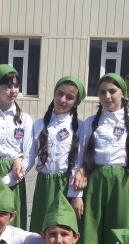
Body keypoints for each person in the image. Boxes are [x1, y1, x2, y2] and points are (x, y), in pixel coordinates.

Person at [72, 73, 129, 244]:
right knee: (91, 239)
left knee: (115, 242)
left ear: (123, 93)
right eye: (102, 92)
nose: (107, 96)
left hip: (120, 186)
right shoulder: (91, 122)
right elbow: (80, 159)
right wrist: (77, 195)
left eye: (112, 91)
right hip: (94, 183)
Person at [29, 76, 86, 234]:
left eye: (69, 97)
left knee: (64, 229)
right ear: (54, 94)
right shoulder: (38, 124)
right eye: (60, 94)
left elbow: (79, 163)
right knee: (42, 230)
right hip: (44, 185)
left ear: (76, 102)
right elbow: (29, 157)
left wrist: (77, 195)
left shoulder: (80, 127)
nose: (62, 100)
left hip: (66, 185)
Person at [0, 64, 34, 229]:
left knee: (10, 225)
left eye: (16, 86)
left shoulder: (24, 119)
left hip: (13, 177)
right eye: (7, 86)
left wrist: (8, 179)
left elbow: (29, 155)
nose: (13, 91)